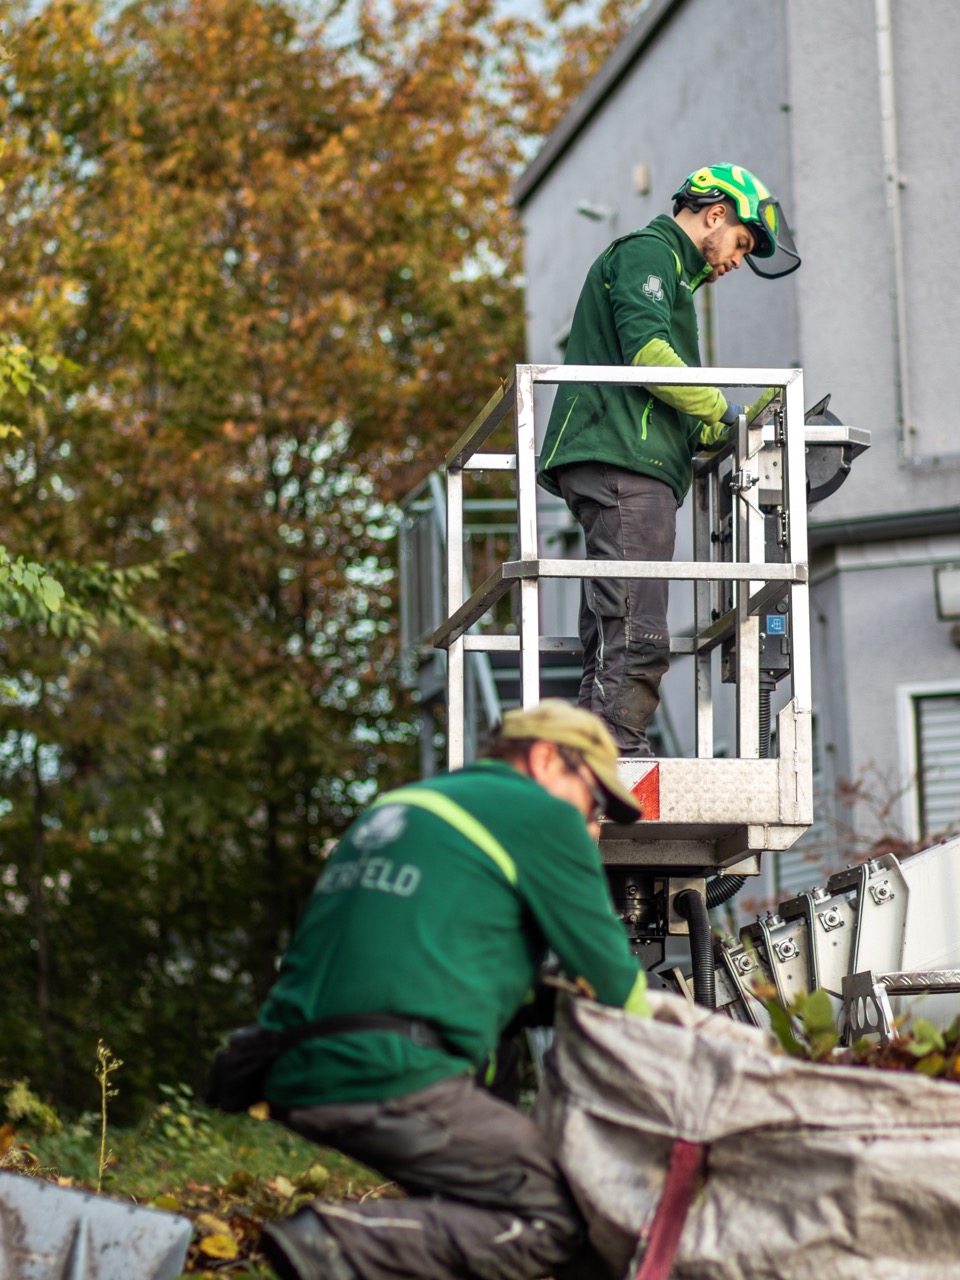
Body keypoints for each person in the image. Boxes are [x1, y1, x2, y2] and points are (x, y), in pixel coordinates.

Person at [258, 699, 650, 1280]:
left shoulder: (402, 807)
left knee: (474, 1220)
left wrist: (537, 999)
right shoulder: (539, 815)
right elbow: (618, 984)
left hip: (290, 1062)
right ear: (545, 759)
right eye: (591, 800)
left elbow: (409, 960)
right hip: (387, 1071)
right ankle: (337, 1243)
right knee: (575, 1214)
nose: (591, 823)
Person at [537, 163, 801, 758]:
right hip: (621, 456)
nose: (737, 261)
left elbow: (665, 386)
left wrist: (715, 423)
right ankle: (615, 754)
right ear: (715, 215)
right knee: (638, 622)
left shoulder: (677, 278)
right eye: (741, 243)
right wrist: (723, 410)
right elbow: (649, 355)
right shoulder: (649, 254)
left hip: (630, 455)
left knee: (616, 618)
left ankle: (598, 746)